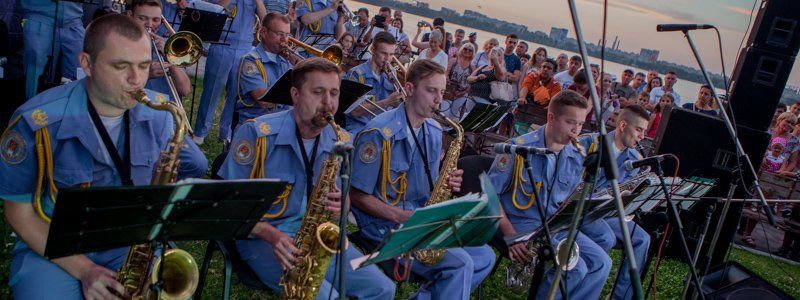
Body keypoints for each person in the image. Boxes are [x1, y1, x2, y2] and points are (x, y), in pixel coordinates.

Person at [1, 14, 208, 299]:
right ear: (87, 64)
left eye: (144, 66)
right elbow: (18, 211)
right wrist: (84, 269)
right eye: (121, 66)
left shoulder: (162, 115)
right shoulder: (36, 122)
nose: (137, 80)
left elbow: (190, 168)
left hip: (129, 241)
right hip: (54, 243)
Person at [218, 58, 395, 299]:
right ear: (295, 94)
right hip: (265, 239)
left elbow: (344, 206)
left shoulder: (341, 140)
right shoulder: (256, 134)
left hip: (317, 238)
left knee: (384, 289)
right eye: (318, 92)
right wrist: (271, 235)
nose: (328, 103)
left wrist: (342, 204)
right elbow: (227, 206)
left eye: (334, 93)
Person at [350, 59, 495, 299]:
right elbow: (355, 195)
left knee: (484, 256)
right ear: (409, 89)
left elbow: (429, 185)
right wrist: (399, 216)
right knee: (461, 264)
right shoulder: (377, 133)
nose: (439, 100)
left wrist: (446, 184)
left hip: (420, 221)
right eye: (431, 91)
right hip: (384, 228)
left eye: (441, 91)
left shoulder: (434, 131)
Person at [489, 89, 612, 299]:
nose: (576, 130)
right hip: (522, 224)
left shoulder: (575, 154)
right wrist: (510, 235)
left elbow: (568, 196)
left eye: (581, 124)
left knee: (602, 263)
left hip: (555, 225)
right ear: (551, 118)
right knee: (575, 269)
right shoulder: (518, 148)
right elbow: (489, 196)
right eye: (570, 122)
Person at [579, 105, 652, 300]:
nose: (642, 136)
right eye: (639, 129)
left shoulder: (634, 159)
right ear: (622, 125)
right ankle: (582, 282)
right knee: (605, 237)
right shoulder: (590, 144)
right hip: (581, 208)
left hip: (606, 211)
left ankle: (620, 297)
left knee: (642, 239)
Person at [193, 0, 266, 145]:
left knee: (236, 93)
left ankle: (225, 131)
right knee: (212, 90)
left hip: (244, 47)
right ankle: (201, 131)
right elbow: (217, 8)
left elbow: (265, 19)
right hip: (222, 44)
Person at [234, 12, 294, 125]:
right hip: (257, 126)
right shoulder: (250, 61)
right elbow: (264, 100)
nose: (284, 40)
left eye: (287, 35)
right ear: (263, 32)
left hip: (282, 123)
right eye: (280, 34)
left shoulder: (285, 60)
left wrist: (297, 63)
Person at [129, 0, 191, 102]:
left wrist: (169, 55)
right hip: (136, 110)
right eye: (142, 18)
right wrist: (146, 74)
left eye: (155, 20)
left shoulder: (169, 45)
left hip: (167, 111)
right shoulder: (120, 46)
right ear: (130, 16)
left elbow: (184, 90)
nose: (149, 24)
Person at [21, 0, 84, 99]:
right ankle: (34, 111)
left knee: (79, 75)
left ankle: (70, 111)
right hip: (40, 17)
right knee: (37, 77)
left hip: (74, 19)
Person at [344, 32, 403, 133]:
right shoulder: (356, 74)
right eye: (384, 53)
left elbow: (397, 109)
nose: (388, 59)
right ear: (372, 50)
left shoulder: (391, 75)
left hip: (384, 128)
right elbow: (353, 111)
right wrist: (387, 102)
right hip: (360, 128)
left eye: (391, 54)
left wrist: (396, 84)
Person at [443, 43, 476, 119]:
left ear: (472, 53)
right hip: (449, 90)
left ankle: (446, 130)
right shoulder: (453, 61)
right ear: (461, 49)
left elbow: (471, 84)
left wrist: (463, 93)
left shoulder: (472, 67)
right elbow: (446, 74)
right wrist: (447, 80)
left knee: (452, 115)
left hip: (462, 94)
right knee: (444, 112)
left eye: (470, 50)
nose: (467, 51)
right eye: (465, 49)